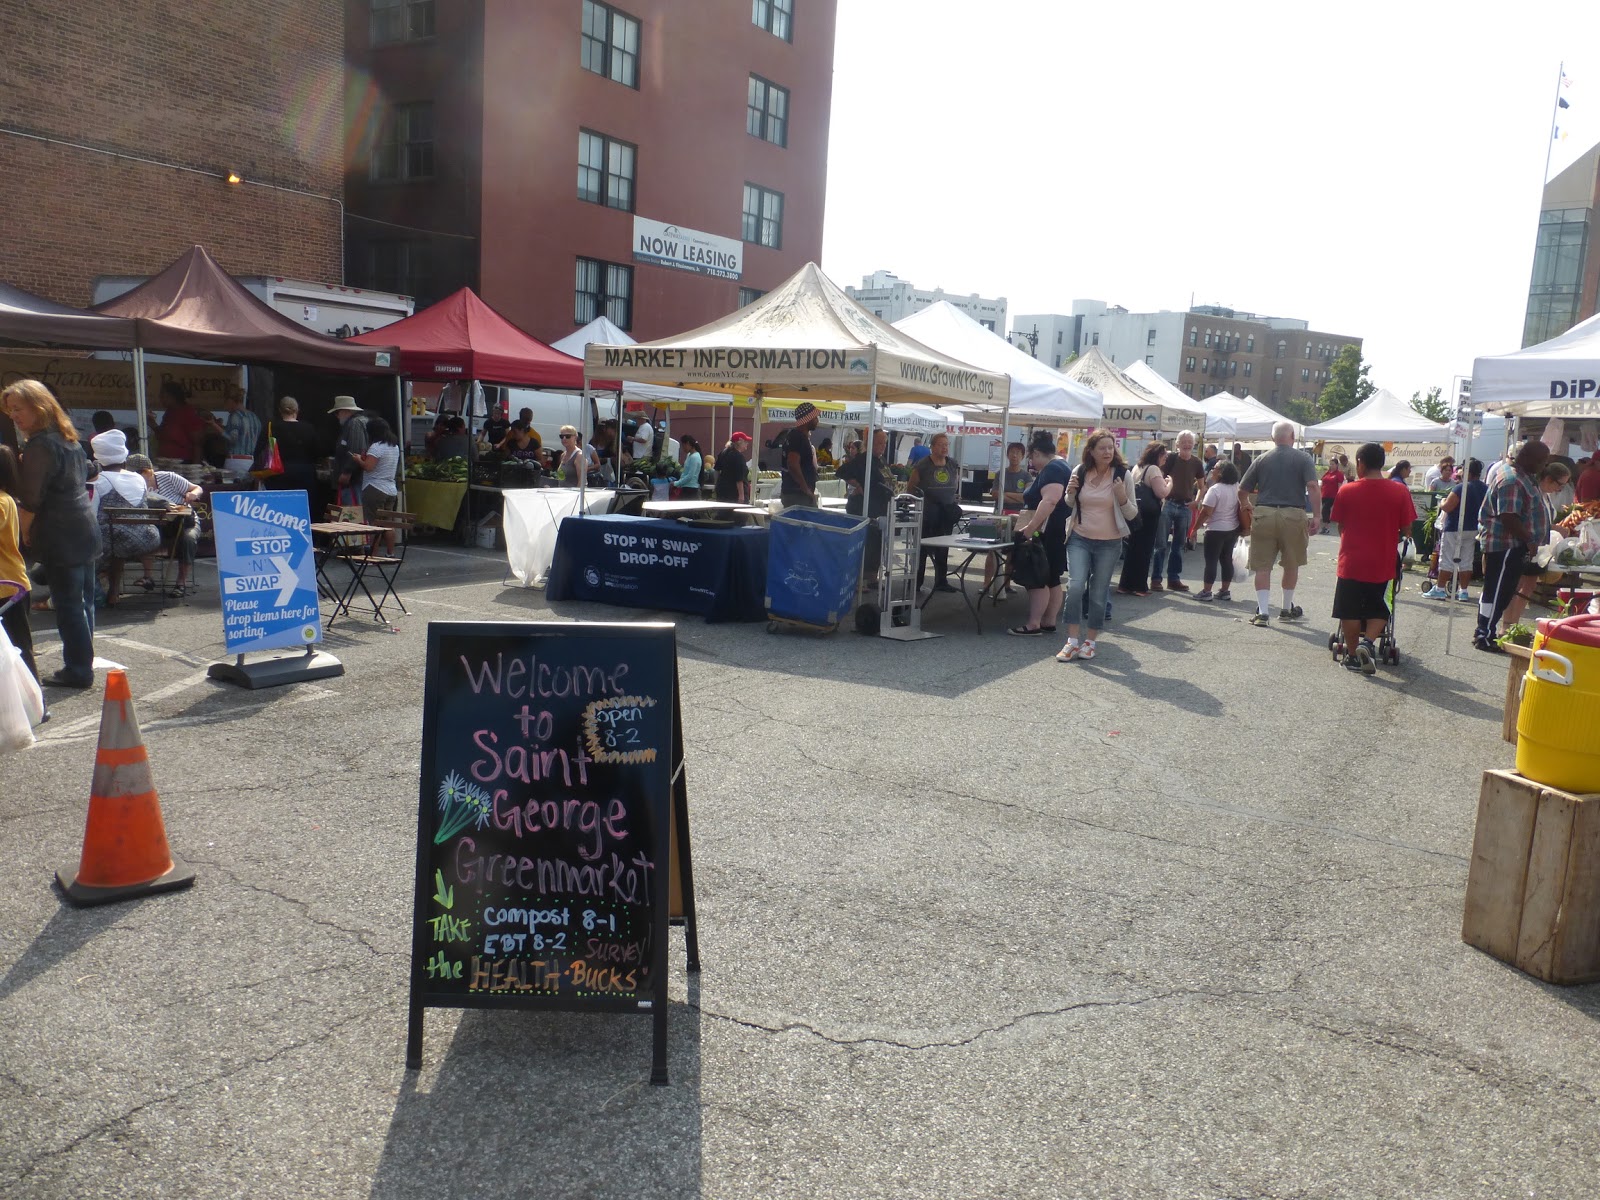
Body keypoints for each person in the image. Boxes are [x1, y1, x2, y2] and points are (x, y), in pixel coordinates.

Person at [3, 381, 100, 688]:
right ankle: (82, 663)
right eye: (10, 410)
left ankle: (79, 670)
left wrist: (25, 532)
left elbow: (31, 501)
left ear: (40, 407)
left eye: (19, 409)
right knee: (83, 603)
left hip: (61, 534)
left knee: (70, 605)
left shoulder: (41, 445)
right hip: (83, 528)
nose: (14, 416)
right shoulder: (68, 438)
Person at [1328, 443, 1415, 673]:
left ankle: (1354, 654)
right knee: (1381, 607)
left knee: (1349, 610)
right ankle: (1368, 643)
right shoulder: (1400, 491)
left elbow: (1340, 524)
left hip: (1352, 561)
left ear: (1360, 463)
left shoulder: (1347, 491)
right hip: (1383, 561)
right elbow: (1407, 529)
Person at [1054, 429, 1136, 661]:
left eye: (1111, 447)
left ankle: (1090, 641)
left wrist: (1121, 496)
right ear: (1091, 451)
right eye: (1102, 448)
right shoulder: (1080, 471)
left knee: (1099, 593)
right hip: (1080, 537)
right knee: (1076, 585)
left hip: (1109, 542)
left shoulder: (1122, 475)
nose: (1108, 451)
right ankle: (1071, 641)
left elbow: (1132, 513)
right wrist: (1069, 492)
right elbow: (1070, 502)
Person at [1239, 419, 1320, 626]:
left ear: (1272, 438)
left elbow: (1242, 490)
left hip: (1264, 513)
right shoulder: (1304, 458)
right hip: (1293, 514)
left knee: (1262, 566)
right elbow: (1312, 485)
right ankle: (1285, 608)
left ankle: (1263, 613)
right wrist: (1317, 516)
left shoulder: (1261, 459)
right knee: (1291, 564)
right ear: (1292, 437)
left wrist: (1246, 505)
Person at [1474, 439, 1552, 653]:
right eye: (1540, 461)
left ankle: (1486, 631)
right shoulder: (1512, 480)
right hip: (1505, 545)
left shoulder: (1524, 476)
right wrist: (1529, 539)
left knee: (1502, 592)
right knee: (1496, 591)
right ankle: (1484, 634)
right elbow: (1509, 517)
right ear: (1525, 457)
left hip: (1512, 546)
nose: (1543, 466)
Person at [87, 429, 162, 606]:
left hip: (113, 540)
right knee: (118, 539)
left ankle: (95, 590)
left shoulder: (99, 481)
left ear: (98, 457)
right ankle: (113, 590)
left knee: (95, 541)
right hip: (147, 537)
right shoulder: (138, 478)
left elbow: (89, 515)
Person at [1010, 430, 1070, 637]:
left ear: (1036, 452)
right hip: (1057, 531)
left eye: (1031, 457)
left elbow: (1050, 500)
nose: (1032, 463)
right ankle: (1048, 621)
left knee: (1038, 578)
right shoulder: (1062, 465)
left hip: (1047, 532)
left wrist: (1031, 528)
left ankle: (1034, 623)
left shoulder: (1052, 469)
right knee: (1052, 578)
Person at [126, 453, 202, 597]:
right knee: (143, 534)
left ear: (147, 471)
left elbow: (197, 488)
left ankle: (181, 583)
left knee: (188, 539)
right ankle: (148, 576)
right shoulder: (132, 485)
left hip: (184, 522)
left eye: (137, 473)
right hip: (157, 523)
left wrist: (193, 494)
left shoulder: (168, 477)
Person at [0, 445, 39, 684]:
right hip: (9, 584)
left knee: (19, 648)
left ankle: (36, 704)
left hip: (9, 589)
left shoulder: (2, 502)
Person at [839, 429, 894, 587]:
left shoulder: (881, 460)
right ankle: (860, 579)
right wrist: (858, 485)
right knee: (866, 543)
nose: (882, 446)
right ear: (869, 443)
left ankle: (871, 577)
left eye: (884, 443)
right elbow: (842, 472)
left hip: (880, 507)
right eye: (879, 442)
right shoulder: (863, 459)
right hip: (863, 507)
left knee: (876, 542)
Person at [908, 432, 962, 593]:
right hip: (927, 514)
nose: (945, 447)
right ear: (932, 447)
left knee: (943, 548)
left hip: (946, 513)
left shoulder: (952, 463)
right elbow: (911, 487)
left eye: (946, 444)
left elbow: (955, 482)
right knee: (922, 549)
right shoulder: (923, 465)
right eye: (941, 444)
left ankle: (941, 581)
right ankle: (916, 583)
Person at [1152, 429, 1205, 592]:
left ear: (1194, 444)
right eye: (1184, 442)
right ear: (1177, 444)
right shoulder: (1171, 458)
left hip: (1185, 506)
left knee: (1179, 545)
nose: (1187, 445)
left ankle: (1174, 579)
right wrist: (1161, 496)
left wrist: (1197, 501)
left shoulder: (1197, 463)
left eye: (1190, 442)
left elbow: (1202, 486)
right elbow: (1159, 477)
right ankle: (1156, 579)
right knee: (1160, 543)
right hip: (1168, 503)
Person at [1429, 458, 1485, 602]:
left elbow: (1448, 506)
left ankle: (1440, 589)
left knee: (1447, 558)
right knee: (1467, 560)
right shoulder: (1484, 488)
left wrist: (1442, 502)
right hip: (1473, 528)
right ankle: (1464, 591)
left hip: (1455, 527)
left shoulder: (1461, 488)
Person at [1117, 441, 1170, 596]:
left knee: (1132, 549)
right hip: (1149, 514)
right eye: (1164, 455)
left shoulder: (1136, 468)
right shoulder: (1153, 469)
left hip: (1135, 511)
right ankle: (1139, 587)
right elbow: (1162, 493)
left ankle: (1125, 585)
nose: (1165, 458)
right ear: (1158, 455)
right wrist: (1170, 484)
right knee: (1144, 550)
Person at [1194, 460, 1244, 602]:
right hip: (1232, 528)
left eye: (1214, 468)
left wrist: (1194, 529)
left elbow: (1205, 512)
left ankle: (1206, 591)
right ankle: (1224, 590)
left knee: (1211, 561)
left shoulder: (1215, 490)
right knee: (1226, 559)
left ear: (1221, 472)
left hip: (1215, 529)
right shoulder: (1236, 487)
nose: (1212, 471)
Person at [354, 417, 401, 539]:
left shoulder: (376, 447)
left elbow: (368, 467)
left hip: (375, 488)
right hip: (391, 489)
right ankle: (390, 553)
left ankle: (372, 555)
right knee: (388, 524)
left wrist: (358, 460)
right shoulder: (394, 446)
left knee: (374, 524)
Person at [265, 396, 321, 495]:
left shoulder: (271, 427)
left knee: (280, 507)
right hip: (305, 475)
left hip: (277, 475)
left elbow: (260, 452)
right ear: (297, 410)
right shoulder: (309, 428)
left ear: (279, 410)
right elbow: (317, 452)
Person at [331, 395, 370, 507]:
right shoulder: (360, 422)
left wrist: (347, 471)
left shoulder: (355, 423)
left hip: (353, 479)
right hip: (356, 478)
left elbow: (356, 449)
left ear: (345, 411)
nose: (337, 416)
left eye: (337, 413)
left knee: (351, 511)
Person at [781, 401, 821, 508]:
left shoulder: (795, 435)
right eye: (815, 417)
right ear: (807, 419)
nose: (817, 420)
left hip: (795, 493)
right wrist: (805, 489)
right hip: (798, 495)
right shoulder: (798, 437)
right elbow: (792, 463)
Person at [154, 380, 206, 462]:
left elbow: (198, 442)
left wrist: (196, 466)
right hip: (166, 462)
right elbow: (162, 435)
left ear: (172, 397)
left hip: (183, 464)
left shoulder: (187, 413)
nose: (160, 399)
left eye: (163, 396)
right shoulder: (169, 413)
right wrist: (152, 423)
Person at [221, 393, 262, 463]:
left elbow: (232, 439)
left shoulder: (235, 416)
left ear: (231, 401)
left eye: (226, 403)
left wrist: (214, 425)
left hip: (236, 459)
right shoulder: (255, 417)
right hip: (251, 460)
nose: (225, 407)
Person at [714, 432, 752, 503]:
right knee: (738, 513)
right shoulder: (738, 457)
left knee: (723, 512)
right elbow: (739, 478)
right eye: (746, 442)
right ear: (739, 442)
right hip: (734, 494)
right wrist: (741, 496)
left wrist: (717, 485)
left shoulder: (723, 453)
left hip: (722, 491)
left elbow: (716, 470)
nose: (747, 443)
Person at [1320, 457, 1346, 527]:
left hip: (1333, 496)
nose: (1331, 466)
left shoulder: (1338, 474)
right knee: (1325, 510)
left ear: (1337, 465)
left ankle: (1326, 526)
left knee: (1325, 509)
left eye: (1333, 464)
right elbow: (1322, 482)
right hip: (1324, 494)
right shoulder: (1327, 473)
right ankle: (1326, 526)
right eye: (1330, 464)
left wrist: (1339, 495)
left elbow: (1340, 486)